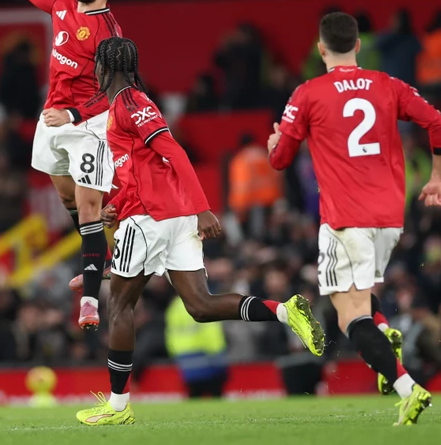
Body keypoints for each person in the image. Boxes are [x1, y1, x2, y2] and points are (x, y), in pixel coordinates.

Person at [75, 37, 325, 426]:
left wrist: (203, 207)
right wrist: (117, 206)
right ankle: (284, 310)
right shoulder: (127, 105)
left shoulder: (130, 104)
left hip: (154, 218)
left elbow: (173, 152)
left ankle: (118, 406)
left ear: (104, 68)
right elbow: (144, 171)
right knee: (200, 306)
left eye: (96, 65)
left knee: (120, 306)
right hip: (169, 216)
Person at [267, 12, 441, 426]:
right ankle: (385, 335)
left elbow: (279, 160)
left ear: (321, 49)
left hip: (345, 220)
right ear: (358, 45)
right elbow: (437, 122)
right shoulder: (387, 84)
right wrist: (438, 179)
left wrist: (275, 141)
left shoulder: (308, 93)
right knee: (360, 299)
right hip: (389, 218)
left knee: (349, 316)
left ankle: (408, 388)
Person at [17, 0, 126, 330]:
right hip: (52, 119)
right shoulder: (61, 5)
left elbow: (115, 90)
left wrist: (75, 115)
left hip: (89, 125)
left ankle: (91, 301)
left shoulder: (110, 34)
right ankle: (101, 257)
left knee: (88, 207)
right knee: (68, 200)